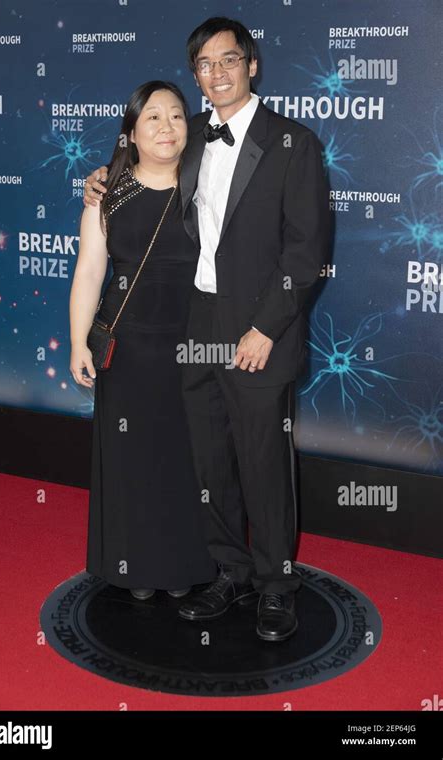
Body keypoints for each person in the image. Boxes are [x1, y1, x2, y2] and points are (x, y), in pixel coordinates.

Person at [83, 17, 330, 642]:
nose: (215, 73)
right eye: (204, 65)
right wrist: (101, 181)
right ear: (195, 74)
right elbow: (136, 161)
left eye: (228, 60)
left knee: (263, 459)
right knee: (211, 458)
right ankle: (230, 571)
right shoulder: (187, 134)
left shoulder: (294, 144)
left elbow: (305, 254)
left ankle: (277, 585)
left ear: (252, 65)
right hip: (196, 323)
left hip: (258, 330)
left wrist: (266, 327)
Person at [70, 81, 216, 601]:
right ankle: (134, 568)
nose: (166, 126)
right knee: (133, 459)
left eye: (176, 115)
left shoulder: (207, 186)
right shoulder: (110, 192)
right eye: (152, 117)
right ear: (130, 132)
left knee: (186, 458)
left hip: (192, 346)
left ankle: (185, 565)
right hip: (128, 346)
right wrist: (77, 343)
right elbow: (89, 272)